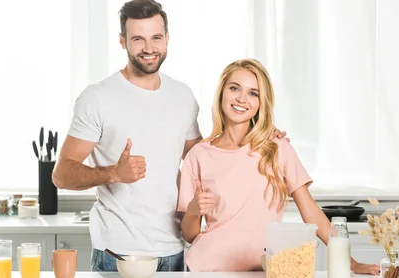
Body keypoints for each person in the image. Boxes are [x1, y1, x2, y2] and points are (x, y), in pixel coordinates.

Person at [52, 0, 288, 272]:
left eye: (156, 38)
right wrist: (113, 173)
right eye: (138, 39)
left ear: (167, 39)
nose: (149, 48)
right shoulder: (97, 98)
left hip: (175, 250)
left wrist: (261, 135)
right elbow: (62, 174)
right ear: (122, 41)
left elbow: (205, 158)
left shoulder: (182, 96)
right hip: (118, 252)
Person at [177, 58, 381, 275]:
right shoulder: (198, 155)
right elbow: (190, 234)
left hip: (265, 270)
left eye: (253, 93)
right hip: (209, 269)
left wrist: (350, 262)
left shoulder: (277, 148)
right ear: (221, 93)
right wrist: (192, 211)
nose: (241, 99)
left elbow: (311, 213)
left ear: (260, 103)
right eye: (234, 88)